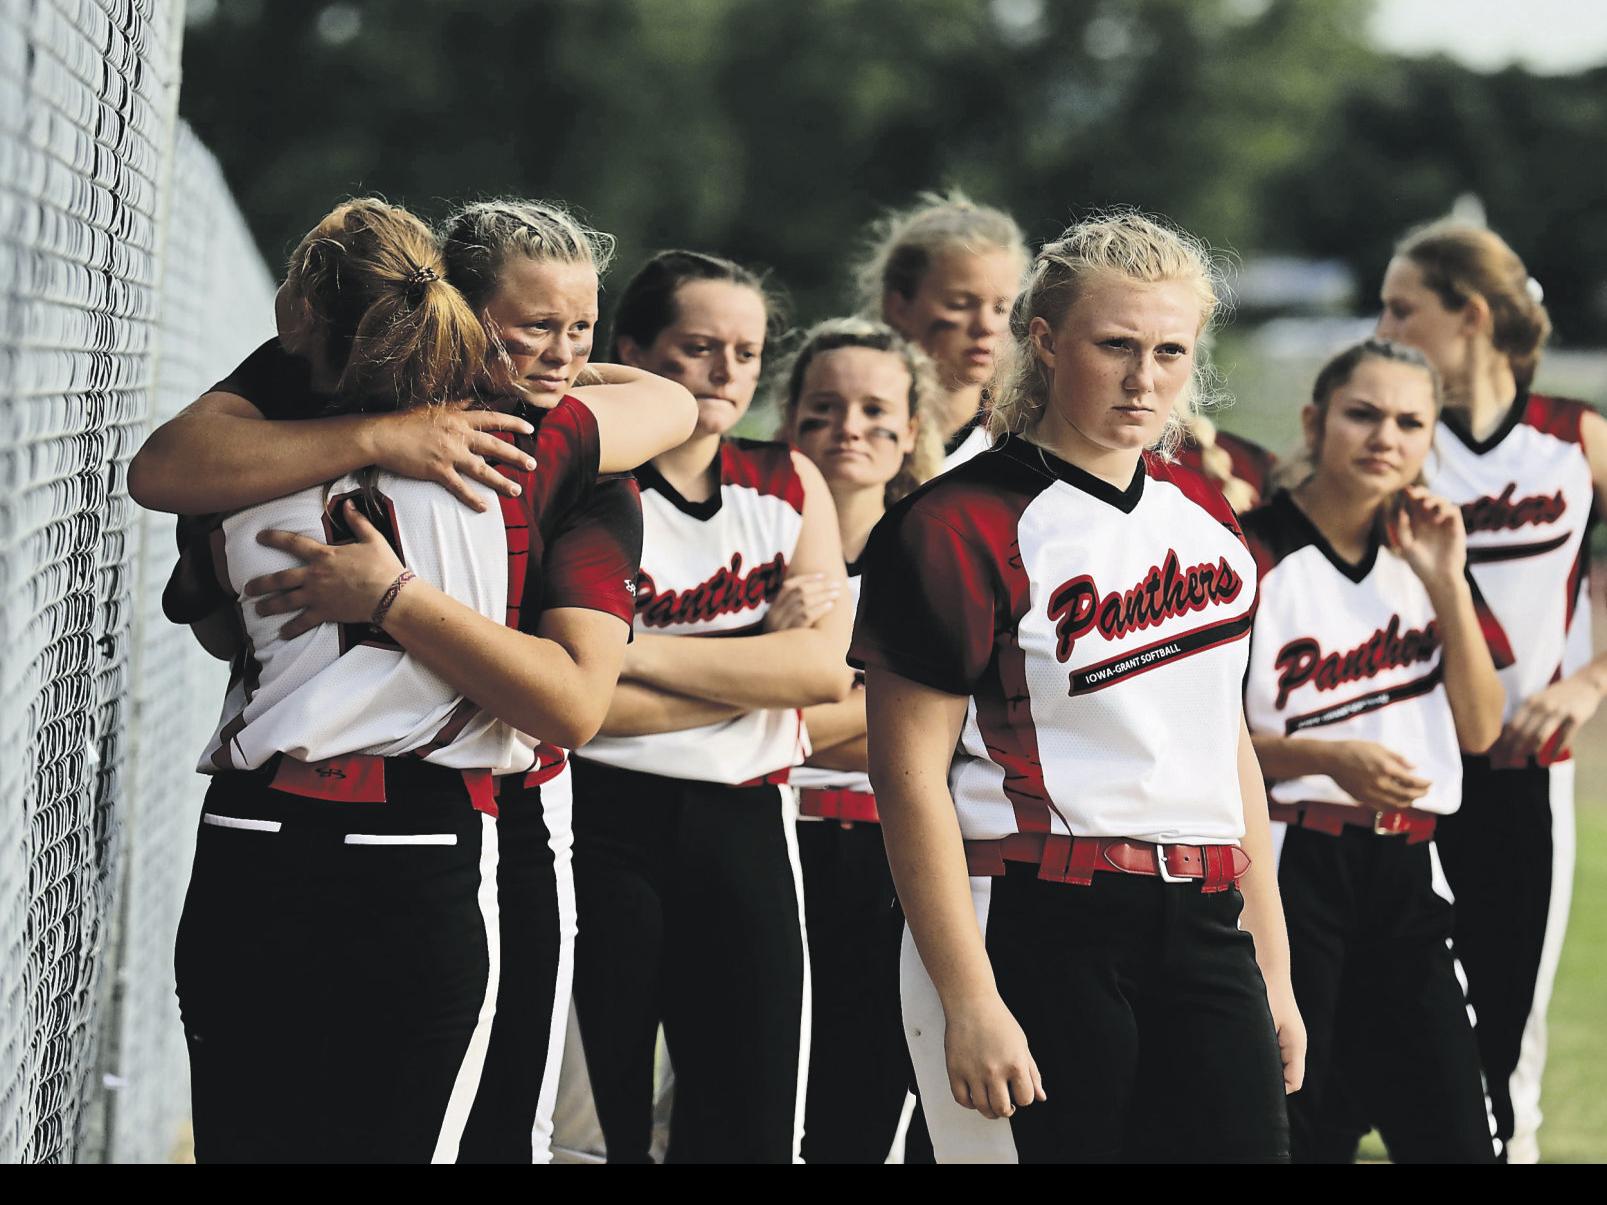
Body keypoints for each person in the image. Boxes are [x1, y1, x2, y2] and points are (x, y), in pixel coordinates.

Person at [160, 198, 662, 1162]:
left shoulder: (236, 460)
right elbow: (573, 706)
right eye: (535, 331)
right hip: (425, 838)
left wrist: (384, 591)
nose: (560, 355)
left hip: (252, 828)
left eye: (578, 332)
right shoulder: (547, 455)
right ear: (453, 316)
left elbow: (216, 619)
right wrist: (393, 560)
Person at [851, 211, 1304, 1164]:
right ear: (1044, 341)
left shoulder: (1210, 515)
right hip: (1029, 917)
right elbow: (907, 781)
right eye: (1115, 345)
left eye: (1170, 350)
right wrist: (970, 999)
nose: (1145, 379)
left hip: (1205, 920)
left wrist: (1273, 966)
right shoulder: (954, 523)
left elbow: (1223, 751)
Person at [567, 250, 854, 1163]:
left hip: (744, 820)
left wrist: (623, 655)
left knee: (750, 1110)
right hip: (597, 815)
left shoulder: (787, 481)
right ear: (632, 349)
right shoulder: (585, 490)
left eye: (747, 349)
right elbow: (572, 706)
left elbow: (818, 674)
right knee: (591, 1115)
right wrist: (750, 665)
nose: (728, 369)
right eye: (698, 346)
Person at [1242, 338, 1504, 1163]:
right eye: (1362, 413)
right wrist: (1326, 755)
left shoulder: (1429, 553)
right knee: (1299, 1130)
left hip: (1405, 869)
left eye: (1408, 421)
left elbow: (1480, 728)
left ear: (1431, 440)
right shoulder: (1244, 552)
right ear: (1315, 421)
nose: (1384, 436)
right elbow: (1204, 741)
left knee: (1457, 1132)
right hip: (1288, 863)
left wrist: (1445, 583)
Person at [1377, 221, 1606, 1163]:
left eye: (1401, 308)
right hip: (1407, 771)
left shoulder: (1574, 436)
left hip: (1524, 772)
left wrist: (1590, 677)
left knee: (1506, 1029)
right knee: (1385, 1015)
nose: (1381, 326)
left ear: (1468, 315)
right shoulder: (1394, 438)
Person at [774, 317, 943, 1162]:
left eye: (878, 409)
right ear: (788, 419)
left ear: (913, 430)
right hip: (765, 843)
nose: (850, 427)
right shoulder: (751, 541)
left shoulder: (929, 555)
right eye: (824, 406)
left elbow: (934, 737)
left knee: (863, 1090)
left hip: (885, 855)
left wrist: (758, 700)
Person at [853, 190, 1028, 470]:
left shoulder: (1021, 444)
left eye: (1000, 308)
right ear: (899, 308)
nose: (985, 326)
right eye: (959, 304)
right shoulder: (847, 435)